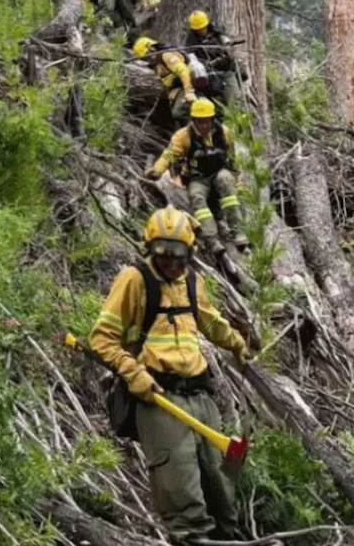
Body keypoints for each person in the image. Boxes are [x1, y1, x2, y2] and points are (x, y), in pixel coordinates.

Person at [89, 205, 255, 543]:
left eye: (179, 255)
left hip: (200, 398)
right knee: (184, 504)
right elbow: (101, 339)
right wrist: (131, 371)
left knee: (222, 493)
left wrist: (238, 343)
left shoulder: (193, 281)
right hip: (160, 401)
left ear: (190, 253)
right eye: (163, 254)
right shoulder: (134, 280)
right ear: (150, 247)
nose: (171, 263)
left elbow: (210, 321)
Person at [146, 98, 249, 255]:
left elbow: (233, 159)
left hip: (220, 173)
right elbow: (169, 155)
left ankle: (237, 232)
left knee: (227, 183)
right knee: (196, 196)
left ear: (212, 120)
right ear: (193, 120)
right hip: (197, 178)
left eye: (207, 121)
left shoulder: (224, 133)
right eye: (200, 122)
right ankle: (212, 239)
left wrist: (239, 182)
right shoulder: (183, 136)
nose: (204, 126)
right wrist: (158, 170)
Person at [184, 10, 244, 107]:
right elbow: (190, 55)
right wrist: (196, 63)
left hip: (226, 71)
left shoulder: (217, 34)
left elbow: (227, 43)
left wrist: (227, 46)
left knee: (233, 102)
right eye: (197, 29)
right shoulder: (191, 41)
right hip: (209, 76)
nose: (200, 31)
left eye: (202, 28)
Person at [132, 36, 197, 124]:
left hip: (188, 84)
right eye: (144, 59)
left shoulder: (167, 56)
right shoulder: (157, 65)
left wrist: (189, 92)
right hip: (176, 89)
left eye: (147, 56)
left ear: (152, 49)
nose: (147, 60)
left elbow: (183, 71)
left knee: (178, 113)